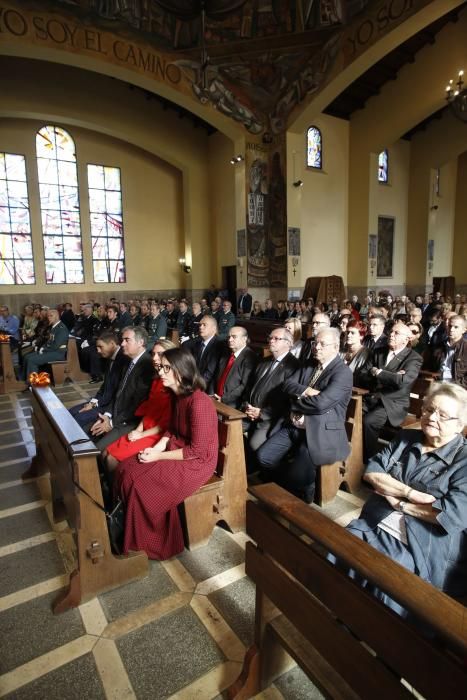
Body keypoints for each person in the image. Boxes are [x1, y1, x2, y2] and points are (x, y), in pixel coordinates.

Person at [342, 383, 467, 614]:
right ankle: (341, 613)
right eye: (429, 409)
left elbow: (450, 514)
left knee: (389, 576)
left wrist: (399, 502)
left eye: (442, 415)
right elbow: (372, 472)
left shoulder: (464, 459)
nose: (431, 417)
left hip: (424, 540)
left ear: (459, 425)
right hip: (378, 519)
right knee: (344, 544)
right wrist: (410, 493)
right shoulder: (408, 436)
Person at [115, 348, 219, 559]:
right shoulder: (176, 395)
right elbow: (172, 427)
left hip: (198, 462)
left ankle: (154, 543)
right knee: (125, 469)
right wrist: (158, 447)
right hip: (178, 447)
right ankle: (129, 530)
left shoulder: (199, 403)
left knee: (142, 485)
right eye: (161, 367)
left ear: (181, 371)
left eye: (166, 368)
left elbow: (197, 450)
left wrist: (158, 456)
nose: (160, 372)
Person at [257, 327, 353, 503]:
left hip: (321, 430)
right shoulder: (310, 364)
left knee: (297, 476)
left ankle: (303, 488)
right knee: (264, 457)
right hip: (295, 425)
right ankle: (291, 485)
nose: (317, 347)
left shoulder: (342, 373)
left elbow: (321, 404)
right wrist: (308, 391)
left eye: (323, 344)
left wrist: (296, 402)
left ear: (336, 347)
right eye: (315, 343)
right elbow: (287, 385)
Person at [103, 338, 175, 469]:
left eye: (160, 354)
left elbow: (165, 425)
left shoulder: (172, 384)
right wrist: (138, 430)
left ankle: (118, 488)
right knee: (105, 453)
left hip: (157, 434)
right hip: (145, 428)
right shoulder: (156, 380)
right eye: (153, 354)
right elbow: (148, 410)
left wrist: (141, 434)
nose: (154, 358)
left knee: (111, 459)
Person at [361, 321, 423, 461]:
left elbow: (402, 381)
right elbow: (363, 374)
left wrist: (378, 372)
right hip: (372, 397)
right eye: (391, 332)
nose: (391, 335)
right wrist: (392, 376)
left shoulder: (413, 358)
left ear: (407, 339)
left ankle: (368, 460)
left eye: (396, 333)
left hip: (392, 403)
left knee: (369, 422)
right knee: (346, 411)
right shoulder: (379, 351)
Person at [88, 326, 154, 450]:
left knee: (96, 450)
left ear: (140, 343)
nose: (122, 343)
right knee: (88, 433)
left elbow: (136, 404)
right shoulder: (129, 361)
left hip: (130, 421)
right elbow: (118, 394)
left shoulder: (147, 366)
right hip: (116, 415)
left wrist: (111, 423)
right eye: (122, 340)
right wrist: (107, 415)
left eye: (127, 340)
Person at [245, 328, 299, 452]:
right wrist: (247, 405)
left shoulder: (294, 366)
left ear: (288, 343)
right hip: (250, 410)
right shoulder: (263, 361)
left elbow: (287, 400)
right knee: (231, 432)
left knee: (255, 445)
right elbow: (250, 386)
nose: (271, 341)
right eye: (270, 338)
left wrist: (262, 413)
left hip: (271, 417)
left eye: (276, 338)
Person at [69, 331, 128, 428]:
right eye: (97, 347)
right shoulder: (110, 357)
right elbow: (105, 386)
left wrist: (96, 405)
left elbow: (118, 394)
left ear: (112, 344)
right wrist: (92, 402)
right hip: (102, 401)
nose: (98, 351)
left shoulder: (124, 360)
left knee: (78, 418)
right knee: (71, 412)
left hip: (110, 406)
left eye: (101, 347)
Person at [213, 326, 258, 409]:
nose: (230, 340)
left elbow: (244, 386)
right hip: (217, 399)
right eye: (229, 337)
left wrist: (224, 399)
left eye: (234, 337)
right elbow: (216, 376)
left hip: (233, 405)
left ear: (244, 339)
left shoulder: (250, 357)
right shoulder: (226, 354)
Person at [22, 308, 69, 383]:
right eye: (48, 316)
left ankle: (32, 382)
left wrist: (44, 349)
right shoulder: (54, 327)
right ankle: (24, 378)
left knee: (32, 360)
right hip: (51, 351)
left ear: (57, 317)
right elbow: (49, 341)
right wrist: (43, 347)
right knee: (27, 357)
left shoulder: (61, 328)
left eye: (51, 316)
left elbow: (56, 345)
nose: (49, 318)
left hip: (58, 353)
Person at [185, 315, 224, 393]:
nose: (200, 327)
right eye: (200, 325)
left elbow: (209, 373)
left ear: (214, 328)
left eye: (204, 325)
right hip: (195, 383)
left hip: (207, 389)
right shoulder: (197, 343)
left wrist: (195, 386)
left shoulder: (219, 346)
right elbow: (193, 366)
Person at [432, 315, 467, 387]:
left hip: (457, 387)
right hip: (437, 383)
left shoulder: (465, 348)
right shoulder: (439, 346)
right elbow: (432, 366)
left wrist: (457, 385)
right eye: (450, 326)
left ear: (464, 330)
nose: (451, 329)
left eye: (456, 327)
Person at [341, 320, 372, 388]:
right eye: (348, 332)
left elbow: (359, 378)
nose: (349, 335)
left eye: (353, 333)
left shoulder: (366, 353)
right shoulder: (341, 351)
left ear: (361, 336)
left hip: (354, 388)